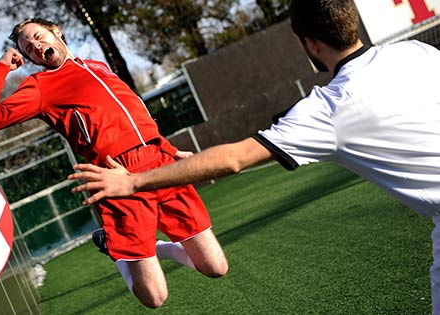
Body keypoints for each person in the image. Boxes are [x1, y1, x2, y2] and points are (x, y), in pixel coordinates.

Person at [69, 0, 440, 312]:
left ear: (309, 44)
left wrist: (132, 180)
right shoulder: (417, 52)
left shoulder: (329, 109)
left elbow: (235, 158)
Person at [0, 18, 228, 308]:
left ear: (56, 32)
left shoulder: (98, 66)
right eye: (28, 48)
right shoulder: (40, 87)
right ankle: (113, 245)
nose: (35, 46)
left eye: (38, 37)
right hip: (117, 177)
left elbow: (135, 112)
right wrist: (3, 66)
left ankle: (158, 249)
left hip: (162, 165)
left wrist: (168, 149)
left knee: (216, 267)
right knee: (155, 297)